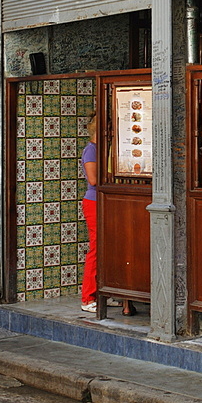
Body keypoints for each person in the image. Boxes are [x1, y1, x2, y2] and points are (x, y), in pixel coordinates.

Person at [80, 114, 135, 316]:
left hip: (103, 202)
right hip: (94, 203)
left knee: (108, 249)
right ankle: (88, 298)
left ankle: (103, 291)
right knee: (96, 249)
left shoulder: (101, 149)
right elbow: (93, 180)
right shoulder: (91, 150)